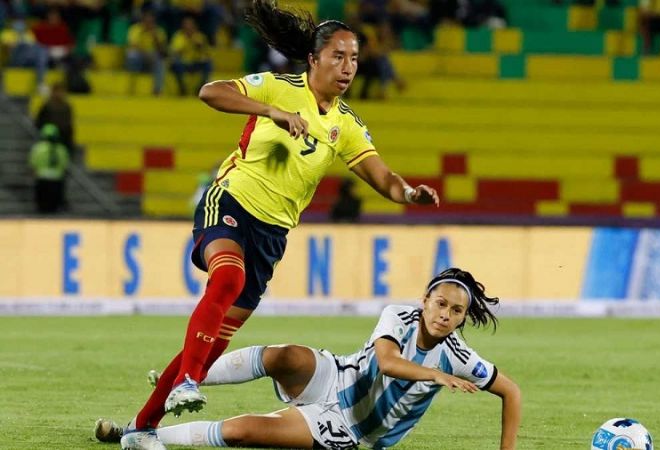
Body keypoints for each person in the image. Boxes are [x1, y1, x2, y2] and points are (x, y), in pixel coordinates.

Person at [113, 1, 440, 448]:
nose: (348, 67)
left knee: (210, 345)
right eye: (339, 56)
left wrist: (407, 193)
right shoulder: (278, 87)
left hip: (271, 236)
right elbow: (210, 91)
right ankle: (187, 382)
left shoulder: (345, 125)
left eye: (355, 59)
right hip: (230, 202)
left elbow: (381, 176)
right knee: (227, 277)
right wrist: (271, 112)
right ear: (314, 59)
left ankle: (141, 428)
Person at [96, 268, 521, 449]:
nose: (445, 315)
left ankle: (136, 437)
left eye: (456, 311)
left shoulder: (460, 357)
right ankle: (186, 381)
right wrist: (432, 374)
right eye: (440, 303)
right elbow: (388, 360)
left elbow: (511, 392)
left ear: (464, 317)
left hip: (350, 429)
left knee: (245, 430)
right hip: (336, 377)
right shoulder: (399, 315)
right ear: (425, 299)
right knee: (287, 355)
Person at [29, 123, 70, 214]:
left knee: (42, 206)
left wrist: (34, 174)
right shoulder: (62, 149)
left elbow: (33, 164)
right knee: (54, 207)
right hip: (57, 180)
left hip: (42, 178)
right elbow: (64, 166)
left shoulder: (38, 148)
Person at [125, 9, 168, 96]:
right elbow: (133, 46)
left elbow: (163, 52)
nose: (149, 23)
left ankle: (157, 90)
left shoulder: (158, 31)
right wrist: (146, 53)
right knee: (132, 55)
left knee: (161, 62)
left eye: (151, 21)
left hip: (152, 59)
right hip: (139, 58)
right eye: (147, 21)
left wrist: (155, 38)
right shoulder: (135, 29)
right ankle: (132, 86)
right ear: (142, 21)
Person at [169, 16, 212, 96]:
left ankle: (200, 88)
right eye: (186, 25)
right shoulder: (179, 36)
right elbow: (174, 52)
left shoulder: (200, 37)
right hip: (183, 63)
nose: (188, 27)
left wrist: (200, 48)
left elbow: (207, 53)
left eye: (190, 25)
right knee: (175, 64)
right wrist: (187, 42)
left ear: (194, 26)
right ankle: (182, 88)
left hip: (196, 62)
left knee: (208, 64)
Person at [35, 81, 75, 156]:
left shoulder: (67, 107)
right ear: (53, 92)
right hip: (48, 139)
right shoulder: (46, 106)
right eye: (57, 91)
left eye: (61, 92)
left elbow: (69, 125)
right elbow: (38, 122)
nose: (59, 94)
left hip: (64, 140)